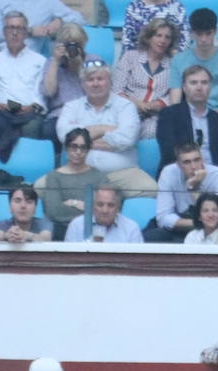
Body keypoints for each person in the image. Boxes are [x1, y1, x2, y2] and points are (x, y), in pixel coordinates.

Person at [55, 60, 158, 198]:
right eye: (90, 80)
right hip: (80, 171)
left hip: (123, 173)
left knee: (151, 189)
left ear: (109, 81)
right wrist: (103, 129)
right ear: (83, 84)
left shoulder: (126, 106)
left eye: (100, 79)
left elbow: (126, 139)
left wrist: (83, 143)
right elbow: (66, 137)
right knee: (45, 188)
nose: (95, 83)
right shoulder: (71, 107)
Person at [0, 11, 48, 168]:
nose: (14, 33)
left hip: (28, 112)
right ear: (4, 32)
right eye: (10, 28)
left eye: (19, 28)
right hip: (0, 110)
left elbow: (41, 95)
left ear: (26, 32)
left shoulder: (40, 61)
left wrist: (31, 107)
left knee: (32, 125)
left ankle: (25, 170)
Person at [155, 63, 218, 173]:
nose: (199, 87)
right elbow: (169, 154)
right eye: (193, 83)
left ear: (210, 87)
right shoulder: (169, 115)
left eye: (204, 83)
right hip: (180, 174)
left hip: (214, 175)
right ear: (184, 87)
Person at [149, 139, 218, 242]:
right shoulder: (168, 172)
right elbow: (163, 218)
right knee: (152, 236)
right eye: (187, 162)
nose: (193, 167)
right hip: (179, 225)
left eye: (197, 160)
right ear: (178, 165)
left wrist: (195, 188)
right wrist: (198, 222)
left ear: (203, 160)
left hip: (207, 229)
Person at [166, 8, 218, 124]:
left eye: (208, 33)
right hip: (187, 116)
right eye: (199, 34)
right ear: (192, 33)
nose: (204, 39)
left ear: (215, 31)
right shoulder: (178, 60)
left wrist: (204, 118)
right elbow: (175, 102)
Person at [112, 16, 177, 141]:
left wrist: (157, 104)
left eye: (167, 37)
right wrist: (138, 104)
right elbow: (116, 89)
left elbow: (174, 95)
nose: (162, 40)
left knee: (153, 132)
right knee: (124, 130)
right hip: (126, 110)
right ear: (149, 37)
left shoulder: (173, 64)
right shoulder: (130, 57)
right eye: (158, 35)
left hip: (156, 115)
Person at [41, 125, 107, 237]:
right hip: (62, 232)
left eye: (83, 147)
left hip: (94, 231)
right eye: (74, 146)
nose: (78, 152)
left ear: (88, 149)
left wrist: (72, 203)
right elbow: (54, 212)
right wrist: (88, 207)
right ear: (66, 148)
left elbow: (108, 209)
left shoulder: (98, 176)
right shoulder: (54, 177)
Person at [40, 24, 93, 145]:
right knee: (48, 131)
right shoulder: (51, 63)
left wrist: (80, 67)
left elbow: (98, 92)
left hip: (88, 111)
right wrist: (55, 62)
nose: (72, 48)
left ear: (84, 43)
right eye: (69, 44)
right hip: (60, 113)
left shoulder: (93, 60)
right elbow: (48, 92)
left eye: (77, 44)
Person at [0, 0, 83, 55]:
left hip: (32, 58)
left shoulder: (48, 2)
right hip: (2, 55)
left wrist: (60, 22)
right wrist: (29, 31)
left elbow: (78, 19)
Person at [64, 183, 142, 241]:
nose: (105, 210)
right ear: (93, 206)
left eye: (111, 205)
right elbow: (68, 260)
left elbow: (138, 260)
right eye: (100, 205)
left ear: (118, 207)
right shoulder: (77, 225)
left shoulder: (131, 228)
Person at [122, 0, 189, 53]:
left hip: (170, 56)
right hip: (138, 55)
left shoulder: (177, 7)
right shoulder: (134, 6)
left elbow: (184, 38)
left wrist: (175, 54)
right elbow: (127, 39)